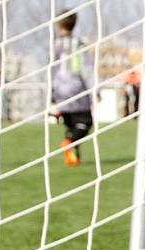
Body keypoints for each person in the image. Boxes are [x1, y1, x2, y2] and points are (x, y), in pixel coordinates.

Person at [51, 9, 93, 167]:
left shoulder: (55, 44)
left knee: (71, 123)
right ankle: (70, 143)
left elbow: (51, 69)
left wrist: (52, 94)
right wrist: (94, 89)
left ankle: (74, 157)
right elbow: (86, 69)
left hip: (60, 90)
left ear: (58, 25)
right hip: (76, 89)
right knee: (85, 121)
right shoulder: (78, 44)